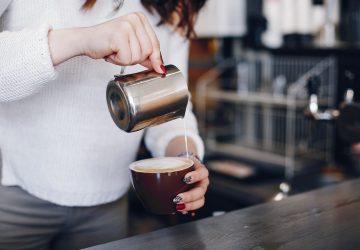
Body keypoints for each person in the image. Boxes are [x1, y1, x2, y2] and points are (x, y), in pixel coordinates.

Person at [0, 0, 209, 249]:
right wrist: (82, 40)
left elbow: (170, 108)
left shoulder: (173, 5)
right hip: (15, 198)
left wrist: (186, 160)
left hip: (108, 207)